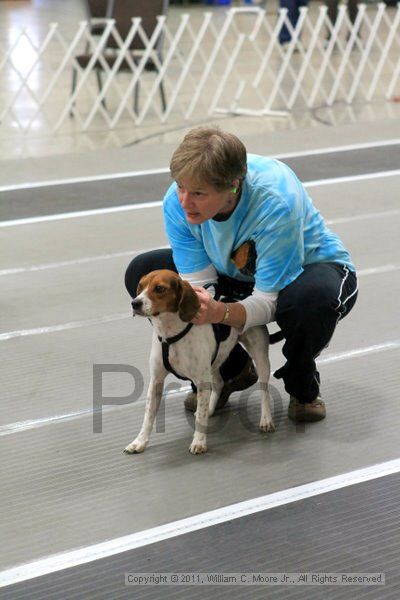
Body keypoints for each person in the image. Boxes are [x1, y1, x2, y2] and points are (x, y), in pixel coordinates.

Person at [125, 127, 358, 423]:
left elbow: (268, 301)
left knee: (308, 303)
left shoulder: (276, 201)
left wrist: (221, 312)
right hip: (233, 274)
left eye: (198, 193)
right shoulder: (176, 202)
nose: (184, 201)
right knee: (143, 274)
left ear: (233, 187)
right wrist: (205, 309)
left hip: (308, 271)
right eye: (181, 186)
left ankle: (302, 384)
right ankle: (230, 371)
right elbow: (197, 288)